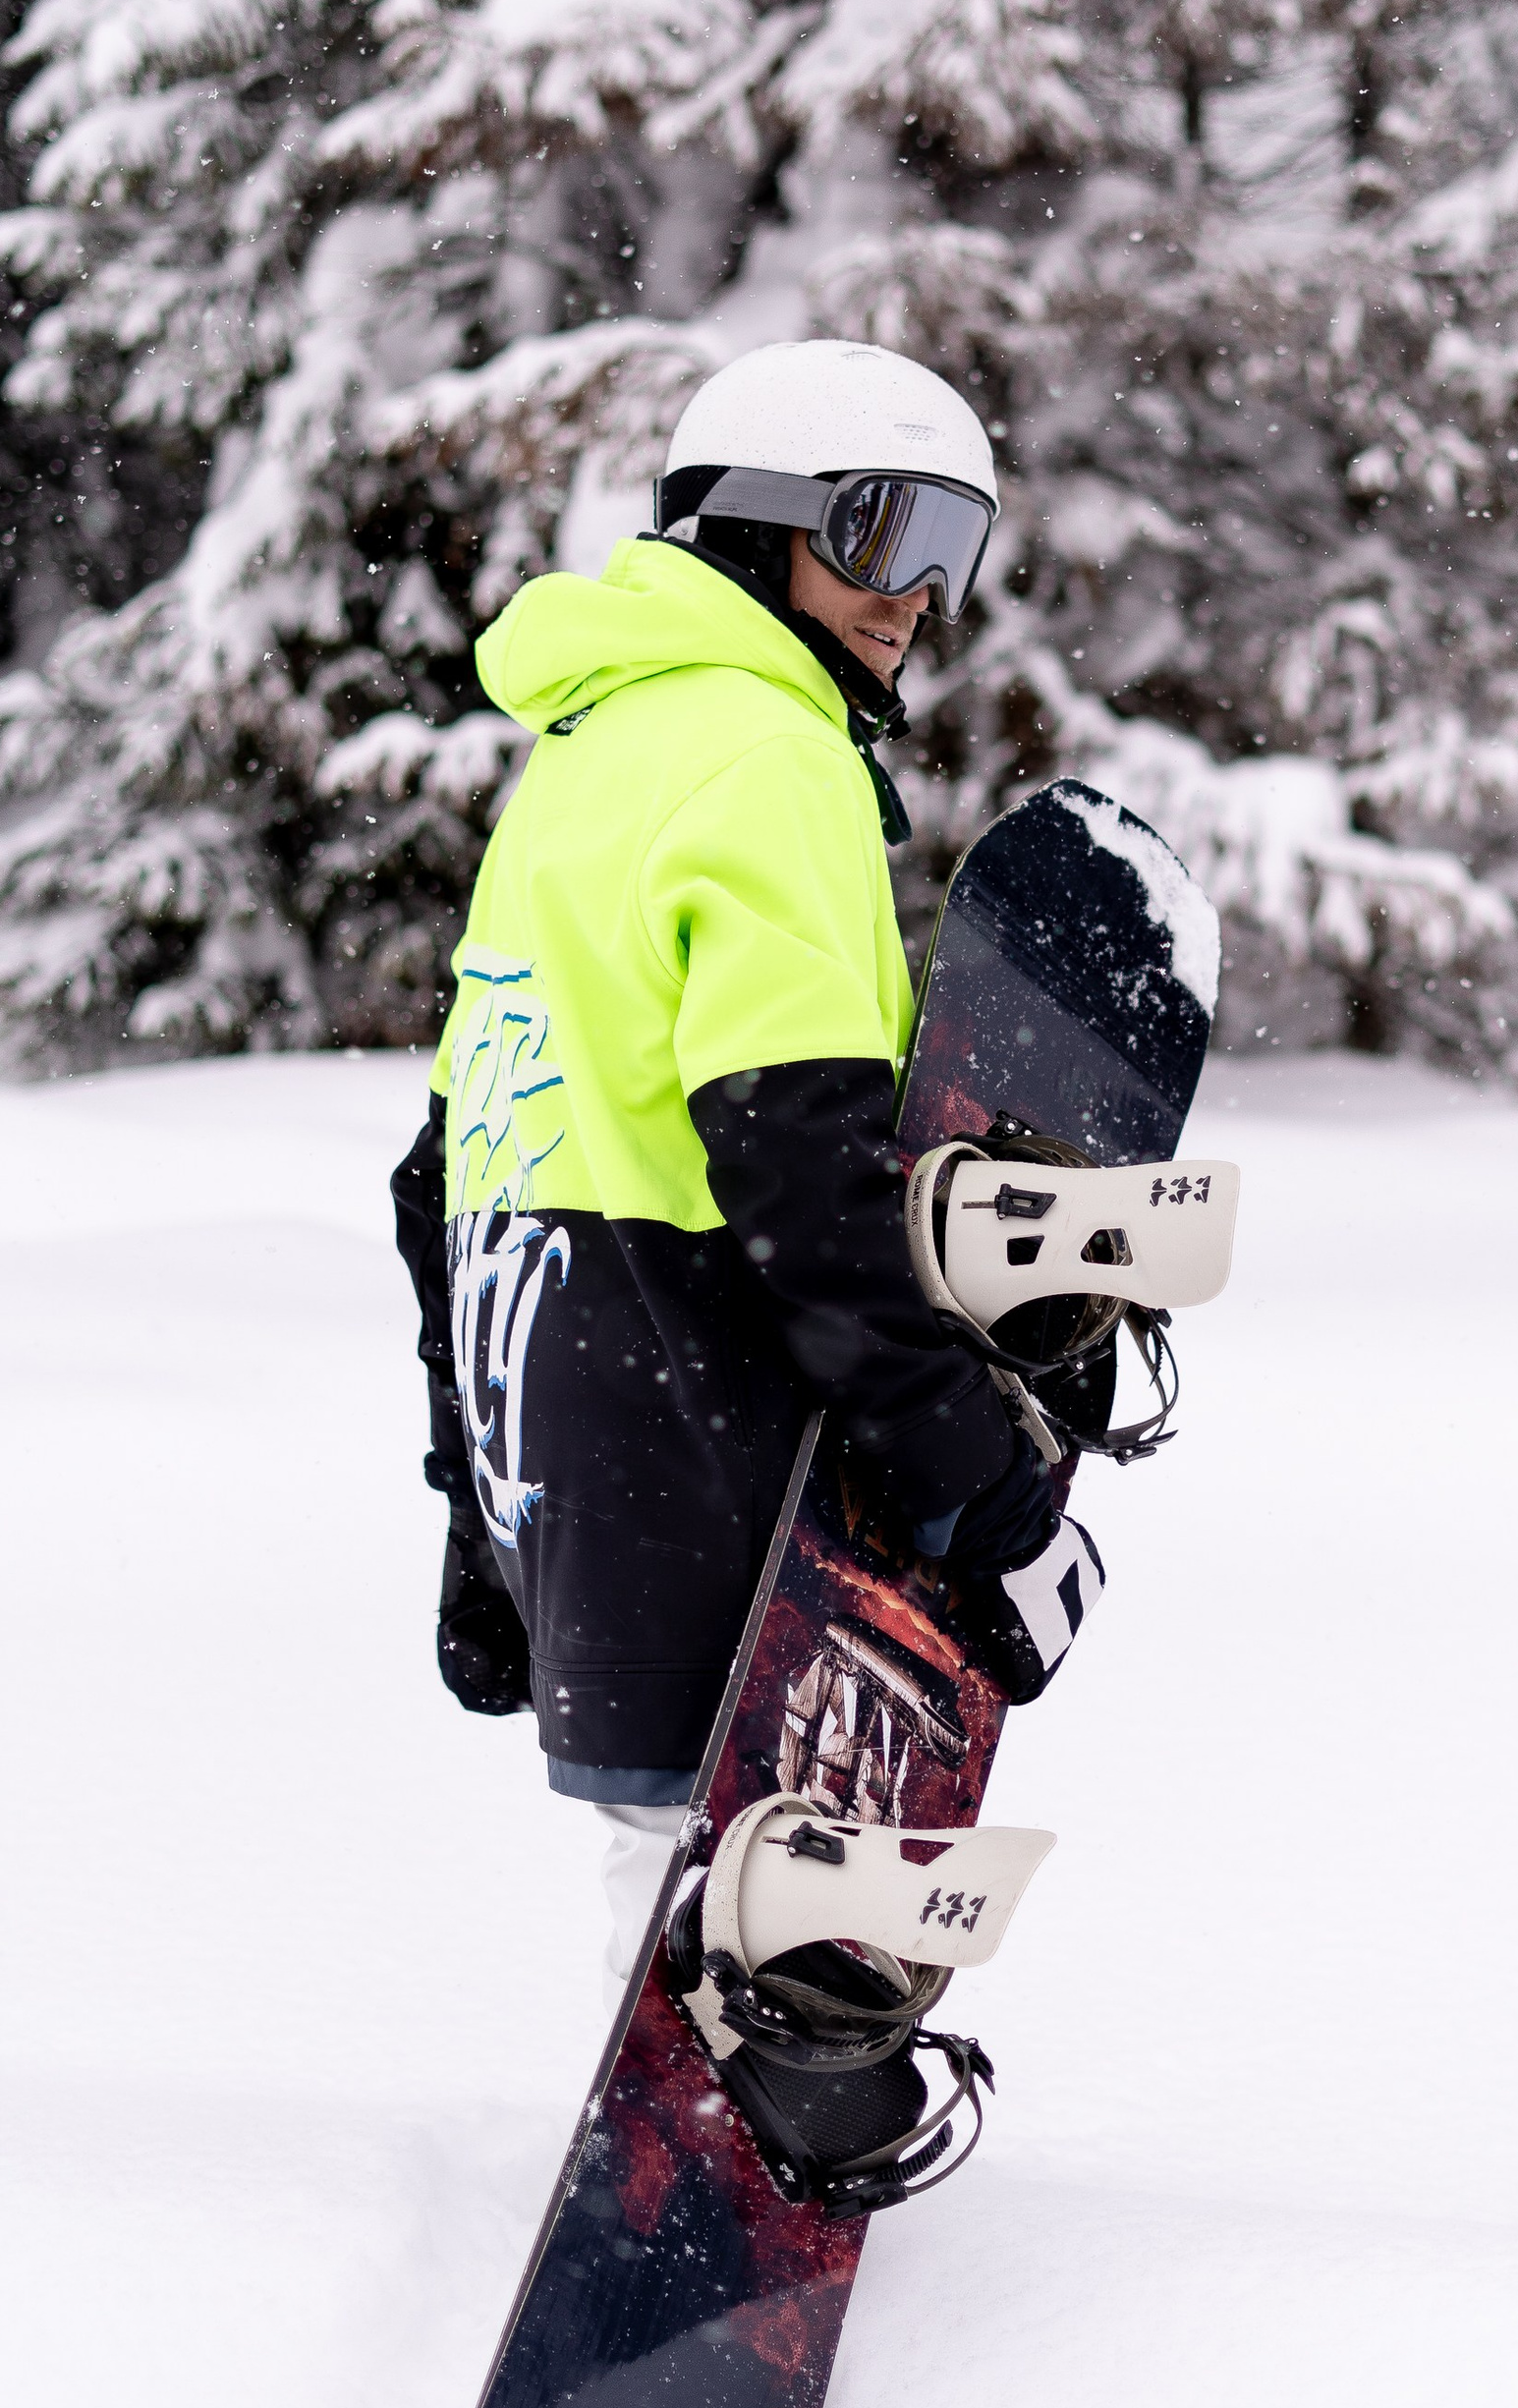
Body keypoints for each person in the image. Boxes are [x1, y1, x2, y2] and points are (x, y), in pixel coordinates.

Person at [390, 338, 1075, 1988]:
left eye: (949, 551)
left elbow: (452, 1168)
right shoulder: (771, 756)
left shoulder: (584, 757)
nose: (914, 595)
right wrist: (952, 1446)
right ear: (746, 530)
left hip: (562, 1383)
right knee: (749, 1851)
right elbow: (793, 1163)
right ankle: (727, 2110)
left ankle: (695, 2102)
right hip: (698, 1384)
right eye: (875, 534)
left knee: (666, 1836)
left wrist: (482, 1506)